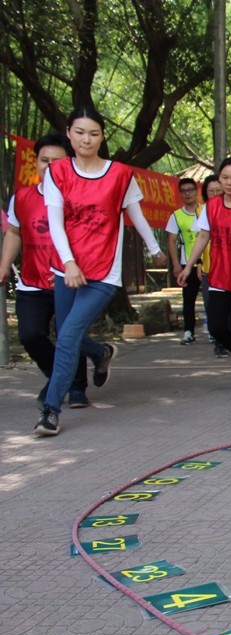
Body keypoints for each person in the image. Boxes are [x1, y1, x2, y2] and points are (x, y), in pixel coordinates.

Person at [34, 107, 168, 436]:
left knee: (67, 336)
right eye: (80, 132)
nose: (86, 139)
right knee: (67, 334)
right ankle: (101, 352)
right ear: (69, 133)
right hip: (66, 269)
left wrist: (155, 249)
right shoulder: (57, 172)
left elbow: (136, 214)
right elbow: (55, 222)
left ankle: (50, 411)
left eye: (94, 133)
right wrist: (69, 263)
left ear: (102, 137)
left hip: (104, 271)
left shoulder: (120, 174)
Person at [1, 132, 92, 408]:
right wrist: (4, 266)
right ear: (36, 162)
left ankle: (76, 387)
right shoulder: (22, 197)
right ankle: (58, 379)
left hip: (69, 280)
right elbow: (14, 232)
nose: (49, 167)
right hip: (32, 282)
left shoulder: (81, 198)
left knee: (69, 334)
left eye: (57, 162)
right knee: (30, 335)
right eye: (44, 160)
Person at [178, 157, 231, 391]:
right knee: (216, 327)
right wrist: (188, 266)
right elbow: (203, 236)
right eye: (225, 177)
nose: (229, 182)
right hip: (218, 273)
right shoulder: (212, 206)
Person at [165, 178, 203, 344]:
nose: (187, 194)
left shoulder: (206, 211)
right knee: (188, 299)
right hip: (188, 263)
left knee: (213, 298)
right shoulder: (176, 216)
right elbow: (171, 240)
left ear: (196, 191)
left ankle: (214, 331)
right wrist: (176, 265)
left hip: (208, 262)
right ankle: (188, 331)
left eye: (190, 190)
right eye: (184, 191)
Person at [201, 175, 227, 356]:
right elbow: (200, 239)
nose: (215, 194)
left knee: (230, 313)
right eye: (211, 191)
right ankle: (219, 342)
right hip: (209, 270)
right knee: (212, 310)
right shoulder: (204, 211)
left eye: (218, 190)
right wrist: (194, 264)